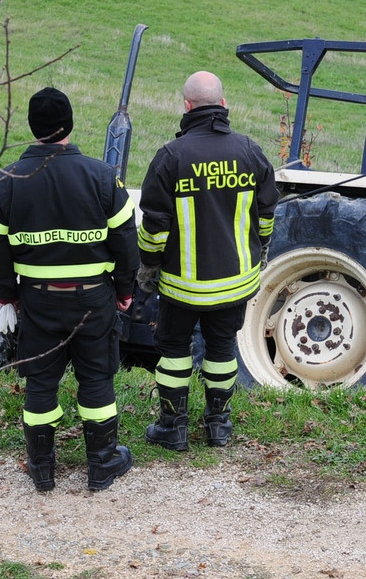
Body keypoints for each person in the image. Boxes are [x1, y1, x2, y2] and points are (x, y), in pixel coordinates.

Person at [0, 87, 140, 492]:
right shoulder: (102, 176)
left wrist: (8, 295)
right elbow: (125, 239)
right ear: (68, 125)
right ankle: (102, 464)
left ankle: (42, 469)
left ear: (33, 128)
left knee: (40, 382)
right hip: (93, 299)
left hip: (37, 299)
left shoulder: (9, 181)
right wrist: (124, 288)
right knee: (96, 380)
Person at [137, 70, 279, 451]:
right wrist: (261, 246)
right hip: (235, 283)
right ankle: (218, 426)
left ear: (186, 106)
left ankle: (173, 427)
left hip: (181, 285)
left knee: (174, 350)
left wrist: (148, 265)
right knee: (221, 351)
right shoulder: (249, 151)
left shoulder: (171, 157)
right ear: (224, 104)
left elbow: (154, 226)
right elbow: (267, 213)